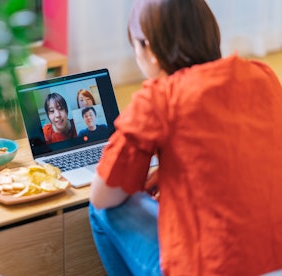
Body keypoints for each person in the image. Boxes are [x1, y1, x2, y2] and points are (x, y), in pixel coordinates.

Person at [89, 0, 282, 275]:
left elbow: (103, 196)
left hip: (213, 268)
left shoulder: (160, 98)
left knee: (100, 210)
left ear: (149, 50)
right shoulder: (262, 76)